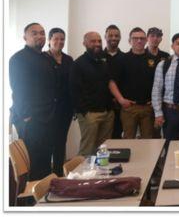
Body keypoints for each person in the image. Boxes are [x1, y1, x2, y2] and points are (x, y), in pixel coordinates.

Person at [9, 23, 58, 180]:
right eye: (34, 33)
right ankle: (29, 200)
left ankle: (43, 195)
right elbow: (18, 89)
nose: (39, 36)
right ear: (25, 37)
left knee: (45, 162)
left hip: (48, 118)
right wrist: (27, 117)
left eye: (42, 33)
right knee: (33, 163)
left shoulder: (46, 58)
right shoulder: (18, 59)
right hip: (31, 120)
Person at [70, 32, 114, 156]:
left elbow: (109, 83)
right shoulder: (78, 64)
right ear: (84, 43)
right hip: (89, 114)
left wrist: (110, 109)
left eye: (99, 41)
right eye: (93, 41)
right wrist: (85, 112)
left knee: (103, 150)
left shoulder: (103, 62)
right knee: (87, 149)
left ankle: (99, 175)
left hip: (106, 112)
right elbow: (74, 91)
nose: (97, 44)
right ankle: (82, 175)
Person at [108, 28, 155, 139]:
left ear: (146, 40)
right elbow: (111, 82)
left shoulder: (153, 60)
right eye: (135, 38)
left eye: (142, 38)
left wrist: (156, 101)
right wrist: (121, 100)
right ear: (129, 40)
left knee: (148, 142)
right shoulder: (121, 59)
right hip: (129, 108)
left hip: (148, 107)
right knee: (128, 140)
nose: (139, 41)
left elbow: (160, 83)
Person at [45, 28, 74, 176]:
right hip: (48, 109)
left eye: (62, 39)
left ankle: (58, 173)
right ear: (49, 40)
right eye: (56, 39)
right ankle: (46, 176)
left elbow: (72, 84)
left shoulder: (68, 60)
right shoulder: (43, 58)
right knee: (49, 141)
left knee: (61, 141)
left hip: (66, 107)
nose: (59, 42)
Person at [146, 27, 169, 138]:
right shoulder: (141, 55)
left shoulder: (166, 56)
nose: (155, 38)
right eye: (152, 36)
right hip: (144, 103)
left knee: (158, 134)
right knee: (145, 135)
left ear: (161, 39)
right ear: (147, 38)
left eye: (158, 36)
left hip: (161, 102)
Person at [103, 24, 125, 139]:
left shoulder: (125, 58)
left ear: (120, 38)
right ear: (105, 37)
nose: (113, 38)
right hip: (102, 106)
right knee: (101, 140)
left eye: (116, 35)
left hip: (121, 106)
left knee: (117, 138)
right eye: (110, 35)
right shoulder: (98, 57)